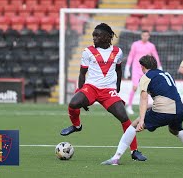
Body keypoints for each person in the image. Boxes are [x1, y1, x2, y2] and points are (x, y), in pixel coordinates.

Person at [101, 55, 183, 165]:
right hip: (179, 109)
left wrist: (142, 120)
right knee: (175, 130)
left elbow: (143, 99)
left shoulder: (146, 77)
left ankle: (116, 158)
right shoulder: (166, 74)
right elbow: (168, 93)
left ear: (143, 67)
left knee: (133, 126)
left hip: (164, 109)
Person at [60, 23, 147, 161]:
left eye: (97, 35)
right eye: (93, 35)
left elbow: (119, 70)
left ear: (107, 37)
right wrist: (80, 90)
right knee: (73, 103)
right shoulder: (88, 51)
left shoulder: (118, 52)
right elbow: (82, 73)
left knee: (124, 118)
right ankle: (76, 126)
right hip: (91, 88)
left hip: (108, 91)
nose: (94, 38)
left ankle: (134, 151)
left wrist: (117, 87)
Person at [124, 30, 162, 115]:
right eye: (143, 35)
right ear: (141, 36)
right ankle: (129, 106)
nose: (145, 37)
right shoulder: (135, 44)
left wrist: (159, 66)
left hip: (147, 70)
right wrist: (127, 67)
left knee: (147, 89)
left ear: (149, 36)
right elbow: (131, 56)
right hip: (136, 69)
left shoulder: (151, 46)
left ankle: (146, 107)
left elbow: (155, 56)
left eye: (147, 35)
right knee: (134, 87)